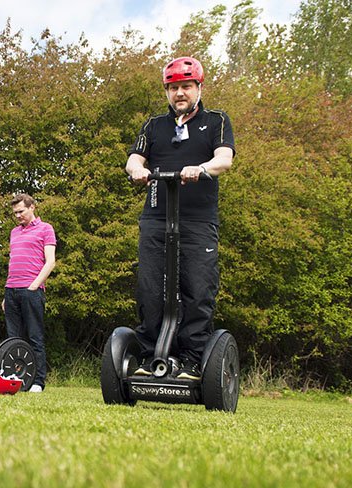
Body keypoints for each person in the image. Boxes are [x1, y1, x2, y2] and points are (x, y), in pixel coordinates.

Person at [124, 56, 234, 380]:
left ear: (199, 87)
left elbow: (224, 159)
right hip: (157, 218)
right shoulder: (154, 125)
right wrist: (139, 172)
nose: (179, 93)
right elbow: (133, 160)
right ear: (167, 92)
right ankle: (149, 357)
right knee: (149, 289)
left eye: (186, 86)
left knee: (197, 290)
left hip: (198, 222)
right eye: (173, 88)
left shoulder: (216, 121)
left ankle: (191, 361)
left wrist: (200, 169)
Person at [2, 193, 57, 392]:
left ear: (32, 207)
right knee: (13, 339)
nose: (18, 216)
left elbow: (50, 261)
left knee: (35, 337)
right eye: (15, 213)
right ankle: (14, 379)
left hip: (31, 290)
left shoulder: (46, 229)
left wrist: (35, 285)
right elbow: (13, 263)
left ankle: (37, 382)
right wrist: (5, 294)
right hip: (11, 290)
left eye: (21, 211)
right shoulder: (14, 232)